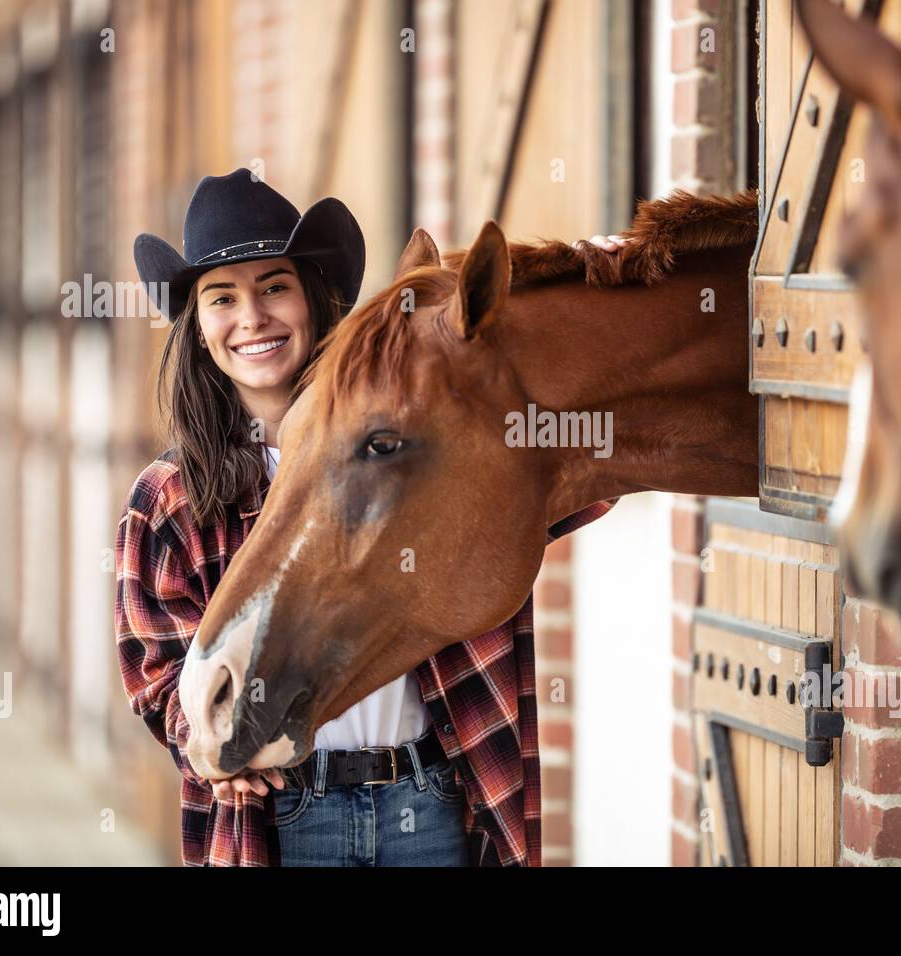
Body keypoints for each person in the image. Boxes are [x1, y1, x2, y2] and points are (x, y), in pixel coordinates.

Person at [115, 168, 615, 866]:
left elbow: (580, 473)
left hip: (431, 796)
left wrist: (610, 286)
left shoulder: (416, 451)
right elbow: (154, 668)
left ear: (313, 302)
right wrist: (212, 740)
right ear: (198, 330)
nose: (252, 317)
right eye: (222, 298)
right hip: (285, 814)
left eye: (274, 287)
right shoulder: (169, 498)